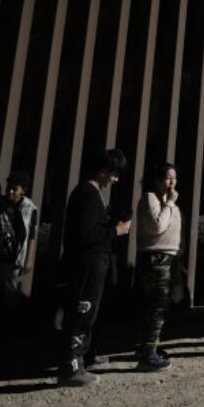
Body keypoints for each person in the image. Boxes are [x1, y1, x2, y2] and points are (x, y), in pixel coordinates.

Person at [57, 148, 130, 386]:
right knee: (82, 312)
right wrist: (115, 231)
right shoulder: (87, 194)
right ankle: (71, 366)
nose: (115, 179)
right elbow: (86, 234)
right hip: (87, 265)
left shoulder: (91, 193)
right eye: (114, 174)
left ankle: (80, 360)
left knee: (87, 313)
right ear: (102, 171)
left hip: (93, 264)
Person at [135, 161, 181, 371]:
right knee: (156, 307)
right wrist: (170, 204)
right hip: (155, 259)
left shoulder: (167, 201)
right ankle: (148, 353)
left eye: (174, 177)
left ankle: (149, 347)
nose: (172, 182)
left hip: (168, 259)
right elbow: (156, 226)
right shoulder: (150, 199)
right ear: (157, 180)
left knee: (159, 306)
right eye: (167, 177)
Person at [0, 170, 40, 321]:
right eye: (9, 187)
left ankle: (7, 326)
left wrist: (29, 259)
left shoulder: (29, 208)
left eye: (15, 188)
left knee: (10, 294)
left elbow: (31, 235)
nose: (10, 191)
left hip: (13, 258)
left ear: (23, 190)